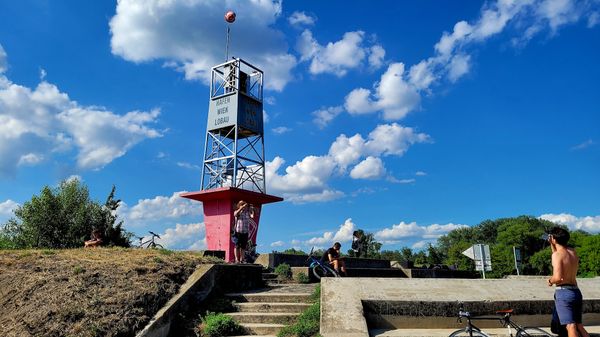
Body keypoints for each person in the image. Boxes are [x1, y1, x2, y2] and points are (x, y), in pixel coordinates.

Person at [547, 227, 589, 337]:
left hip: (564, 293)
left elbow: (558, 277)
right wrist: (552, 244)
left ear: (554, 239)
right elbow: (559, 254)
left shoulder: (557, 255)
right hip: (576, 292)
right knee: (578, 325)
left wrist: (550, 281)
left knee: (570, 326)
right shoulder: (572, 252)